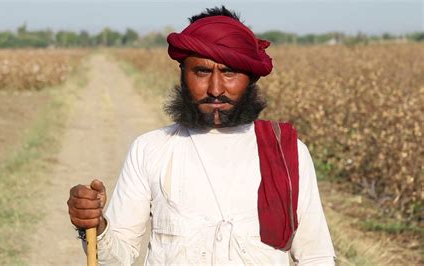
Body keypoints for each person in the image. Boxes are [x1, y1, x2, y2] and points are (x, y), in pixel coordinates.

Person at [67, 6, 336, 265]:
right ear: (183, 75)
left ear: (251, 79)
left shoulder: (286, 153)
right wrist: (96, 226)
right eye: (202, 72)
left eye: (230, 72)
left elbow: (316, 256)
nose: (216, 88)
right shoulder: (150, 149)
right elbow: (117, 258)